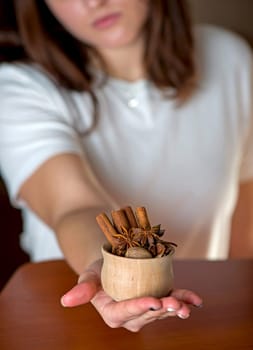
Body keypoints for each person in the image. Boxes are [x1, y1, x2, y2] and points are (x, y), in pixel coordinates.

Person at [0, 0, 252, 332]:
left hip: (194, 317)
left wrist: (229, 308)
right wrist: (108, 274)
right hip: (69, 325)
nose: (93, 2)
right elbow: (74, 206)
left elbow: (246, 202)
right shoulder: (19, 87)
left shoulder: (229, 58)